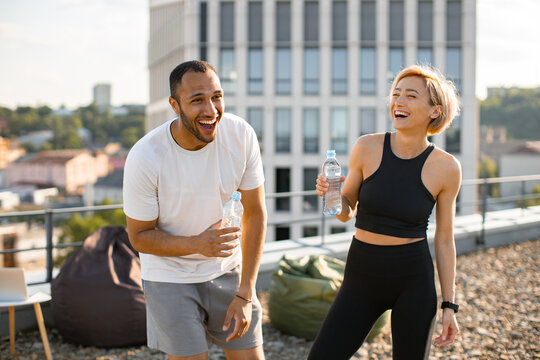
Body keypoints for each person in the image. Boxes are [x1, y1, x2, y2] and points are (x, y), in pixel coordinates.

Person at [308, 64, 462, 359]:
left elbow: (444, 240)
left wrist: (449, 306)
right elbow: (345, 212)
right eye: (396, 94)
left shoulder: (446, 168)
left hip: (413, 280)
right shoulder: (366, 147)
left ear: (435, 111)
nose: (398, 102)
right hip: (360, 278)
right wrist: (333, 195)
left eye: (411, 96)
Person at [123, 60, 267, 360]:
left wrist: (246, 291)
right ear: (175, 105)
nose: (211, 110)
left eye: (216, 96)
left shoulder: (240, 135)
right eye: (197, 100)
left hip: (229, 270)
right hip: (169, 277)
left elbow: (255, 213)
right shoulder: (146, 156)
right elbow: (139, 236)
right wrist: (196, 245)